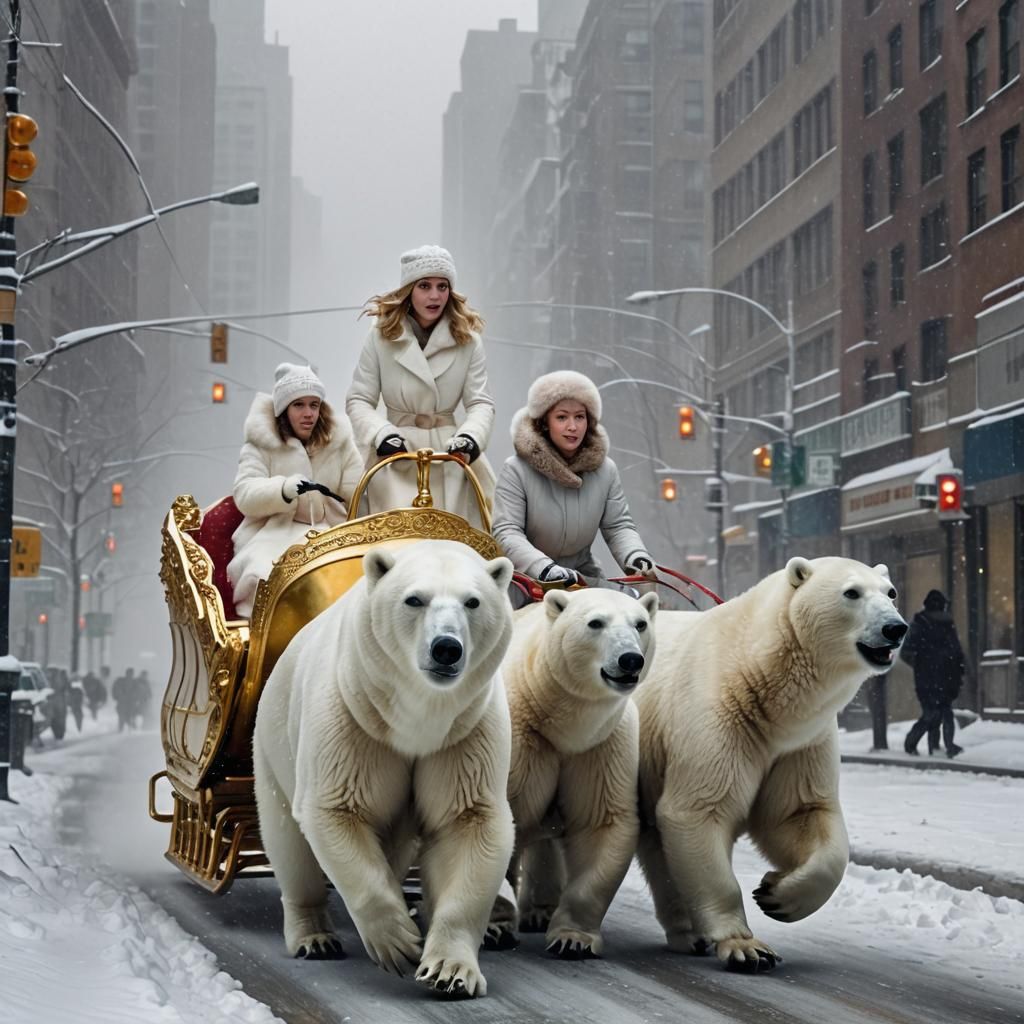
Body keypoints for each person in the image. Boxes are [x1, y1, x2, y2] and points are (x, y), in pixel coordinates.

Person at [346, 245, 495, 529]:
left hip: (452, 457)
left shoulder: (468, 339)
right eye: (425, 286)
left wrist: (470, 437)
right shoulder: (380, 337)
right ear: (409, 290)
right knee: (382, 544)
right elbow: (359, 400)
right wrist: (381, 434)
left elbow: (480, 403)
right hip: (396, 455)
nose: (435, 295)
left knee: (486, 537)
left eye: (442, 286)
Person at [491, 370, 655, 592]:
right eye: (562, 417)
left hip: (582, 576)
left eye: (580, 416)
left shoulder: (606, 470)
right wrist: (543, 568)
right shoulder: (516, 469)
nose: (573, 426)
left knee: (635, 609)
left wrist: (635, 556)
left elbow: (618, 526)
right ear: (545, 423)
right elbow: (506, 531)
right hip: (527, 582)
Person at [227, 363, 364, 618]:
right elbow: (244, 493)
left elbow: (358, 491)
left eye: (314, 405)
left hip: (331, 531)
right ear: (283, 409)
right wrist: (284, 489)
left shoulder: (340, 443)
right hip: (274, 534)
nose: (308, 413)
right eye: (298, 405)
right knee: (267, 575)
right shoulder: (261, 445)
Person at [901, 589, 966, 758]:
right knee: (943, 712)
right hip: (946, 676)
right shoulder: (946, 624)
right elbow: (957, 651)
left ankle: (922, 745)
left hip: (928, 677)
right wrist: (958, 670)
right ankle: (943, 746)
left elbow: (906, 652)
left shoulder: (920, 623)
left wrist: (921, 664)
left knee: (932, 713)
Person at [112, 667, 136, 733]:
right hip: (123, 701)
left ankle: (128, 728)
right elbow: (116, 689)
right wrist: (117, 696)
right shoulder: (120, 681)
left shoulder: (134, 682)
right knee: (122, 715)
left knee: (128, 715)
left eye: (131, 673)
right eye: (130, 673)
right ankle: (122, 728)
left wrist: (135, 698)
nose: (130, 675)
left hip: (129, 702)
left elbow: (137, 692)